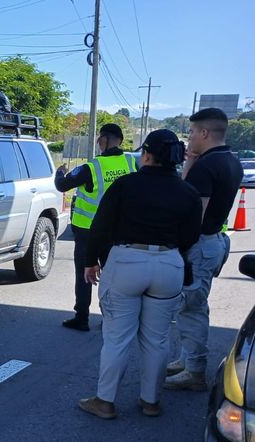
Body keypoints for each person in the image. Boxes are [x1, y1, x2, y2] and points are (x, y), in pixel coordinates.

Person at [77, 129, 202, 419]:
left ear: (146, 154)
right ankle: (151, 401)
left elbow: (101, 225)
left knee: (117, 337)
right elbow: (190, 236)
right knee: (157, 340)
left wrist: (91, 260)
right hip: (169, 265)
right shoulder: (188, 193)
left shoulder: (126, 185)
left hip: (126, 262)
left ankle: (105, 401)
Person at [164, 108, 244, 391]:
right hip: (215, 240)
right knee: (192, 305)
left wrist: (176, 248)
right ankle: (187, 360)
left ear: (204, 133)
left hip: (201, 243)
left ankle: (195, 369)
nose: (189, 138)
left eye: (192, 132)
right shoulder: (230, 160)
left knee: (192, 308)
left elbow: (192, 211)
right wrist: (192, 163)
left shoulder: (208, 166)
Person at [55, 123, 137, 331]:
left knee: (84, 274)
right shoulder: (131, 162)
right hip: (118, 230)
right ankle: (110, 319)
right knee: (112, 276)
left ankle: (81, 317)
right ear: (120, 141)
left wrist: (59, 173)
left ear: (103, 140)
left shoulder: (92, 167)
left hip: (88, 231)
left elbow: (62, 186)